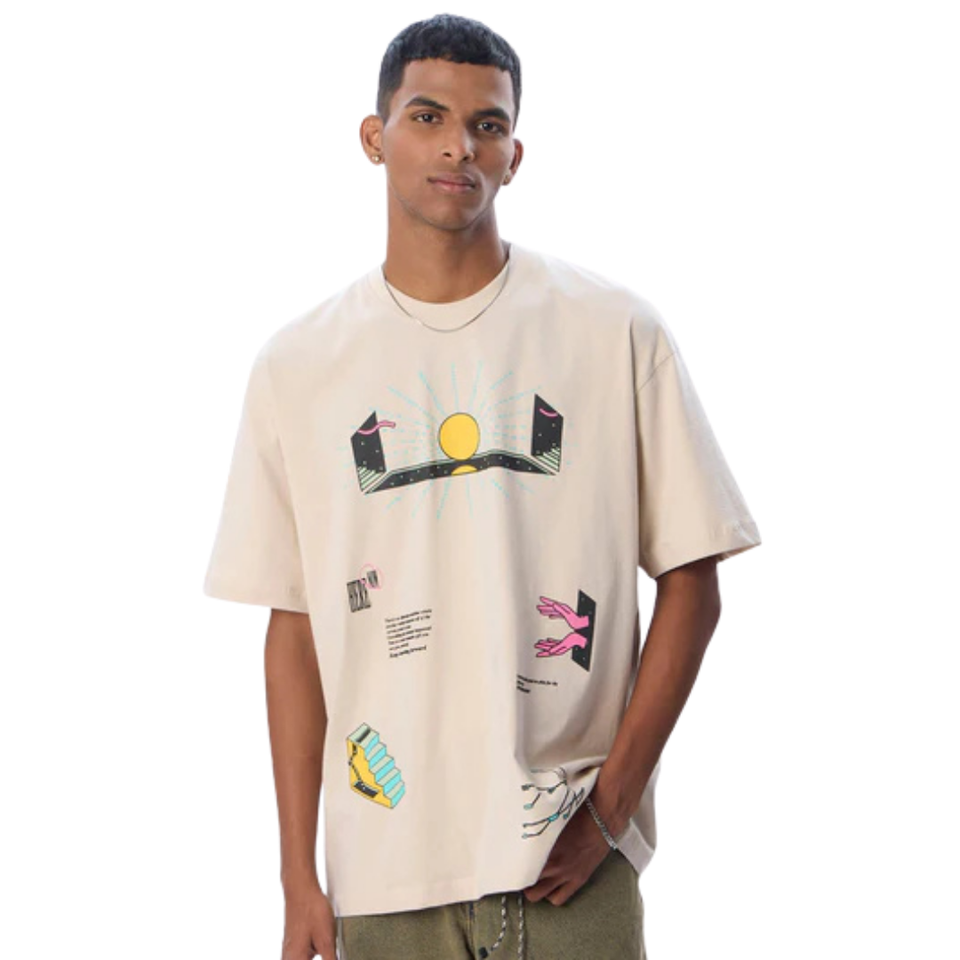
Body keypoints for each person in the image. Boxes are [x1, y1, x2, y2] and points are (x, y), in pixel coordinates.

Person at [202, 13, 762, 960]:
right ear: (374, 137)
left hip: (569, 860)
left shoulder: (613, 331)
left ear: (515, 155)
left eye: (487, 125)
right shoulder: (298, 367)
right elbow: (293, 631)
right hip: (385, 875)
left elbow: (694, 579)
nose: (459, 145)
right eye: (427, 117)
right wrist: (298, 875)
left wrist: (612, 808)